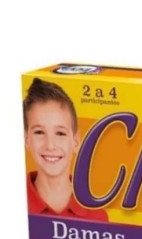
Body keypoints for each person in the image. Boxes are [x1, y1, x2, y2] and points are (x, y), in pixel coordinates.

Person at [24, 78, 108, 220]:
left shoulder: (97, 215)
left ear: (76, 142)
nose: (50, 145)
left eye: (60, 133)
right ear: (27, 140)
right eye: (39, 132)